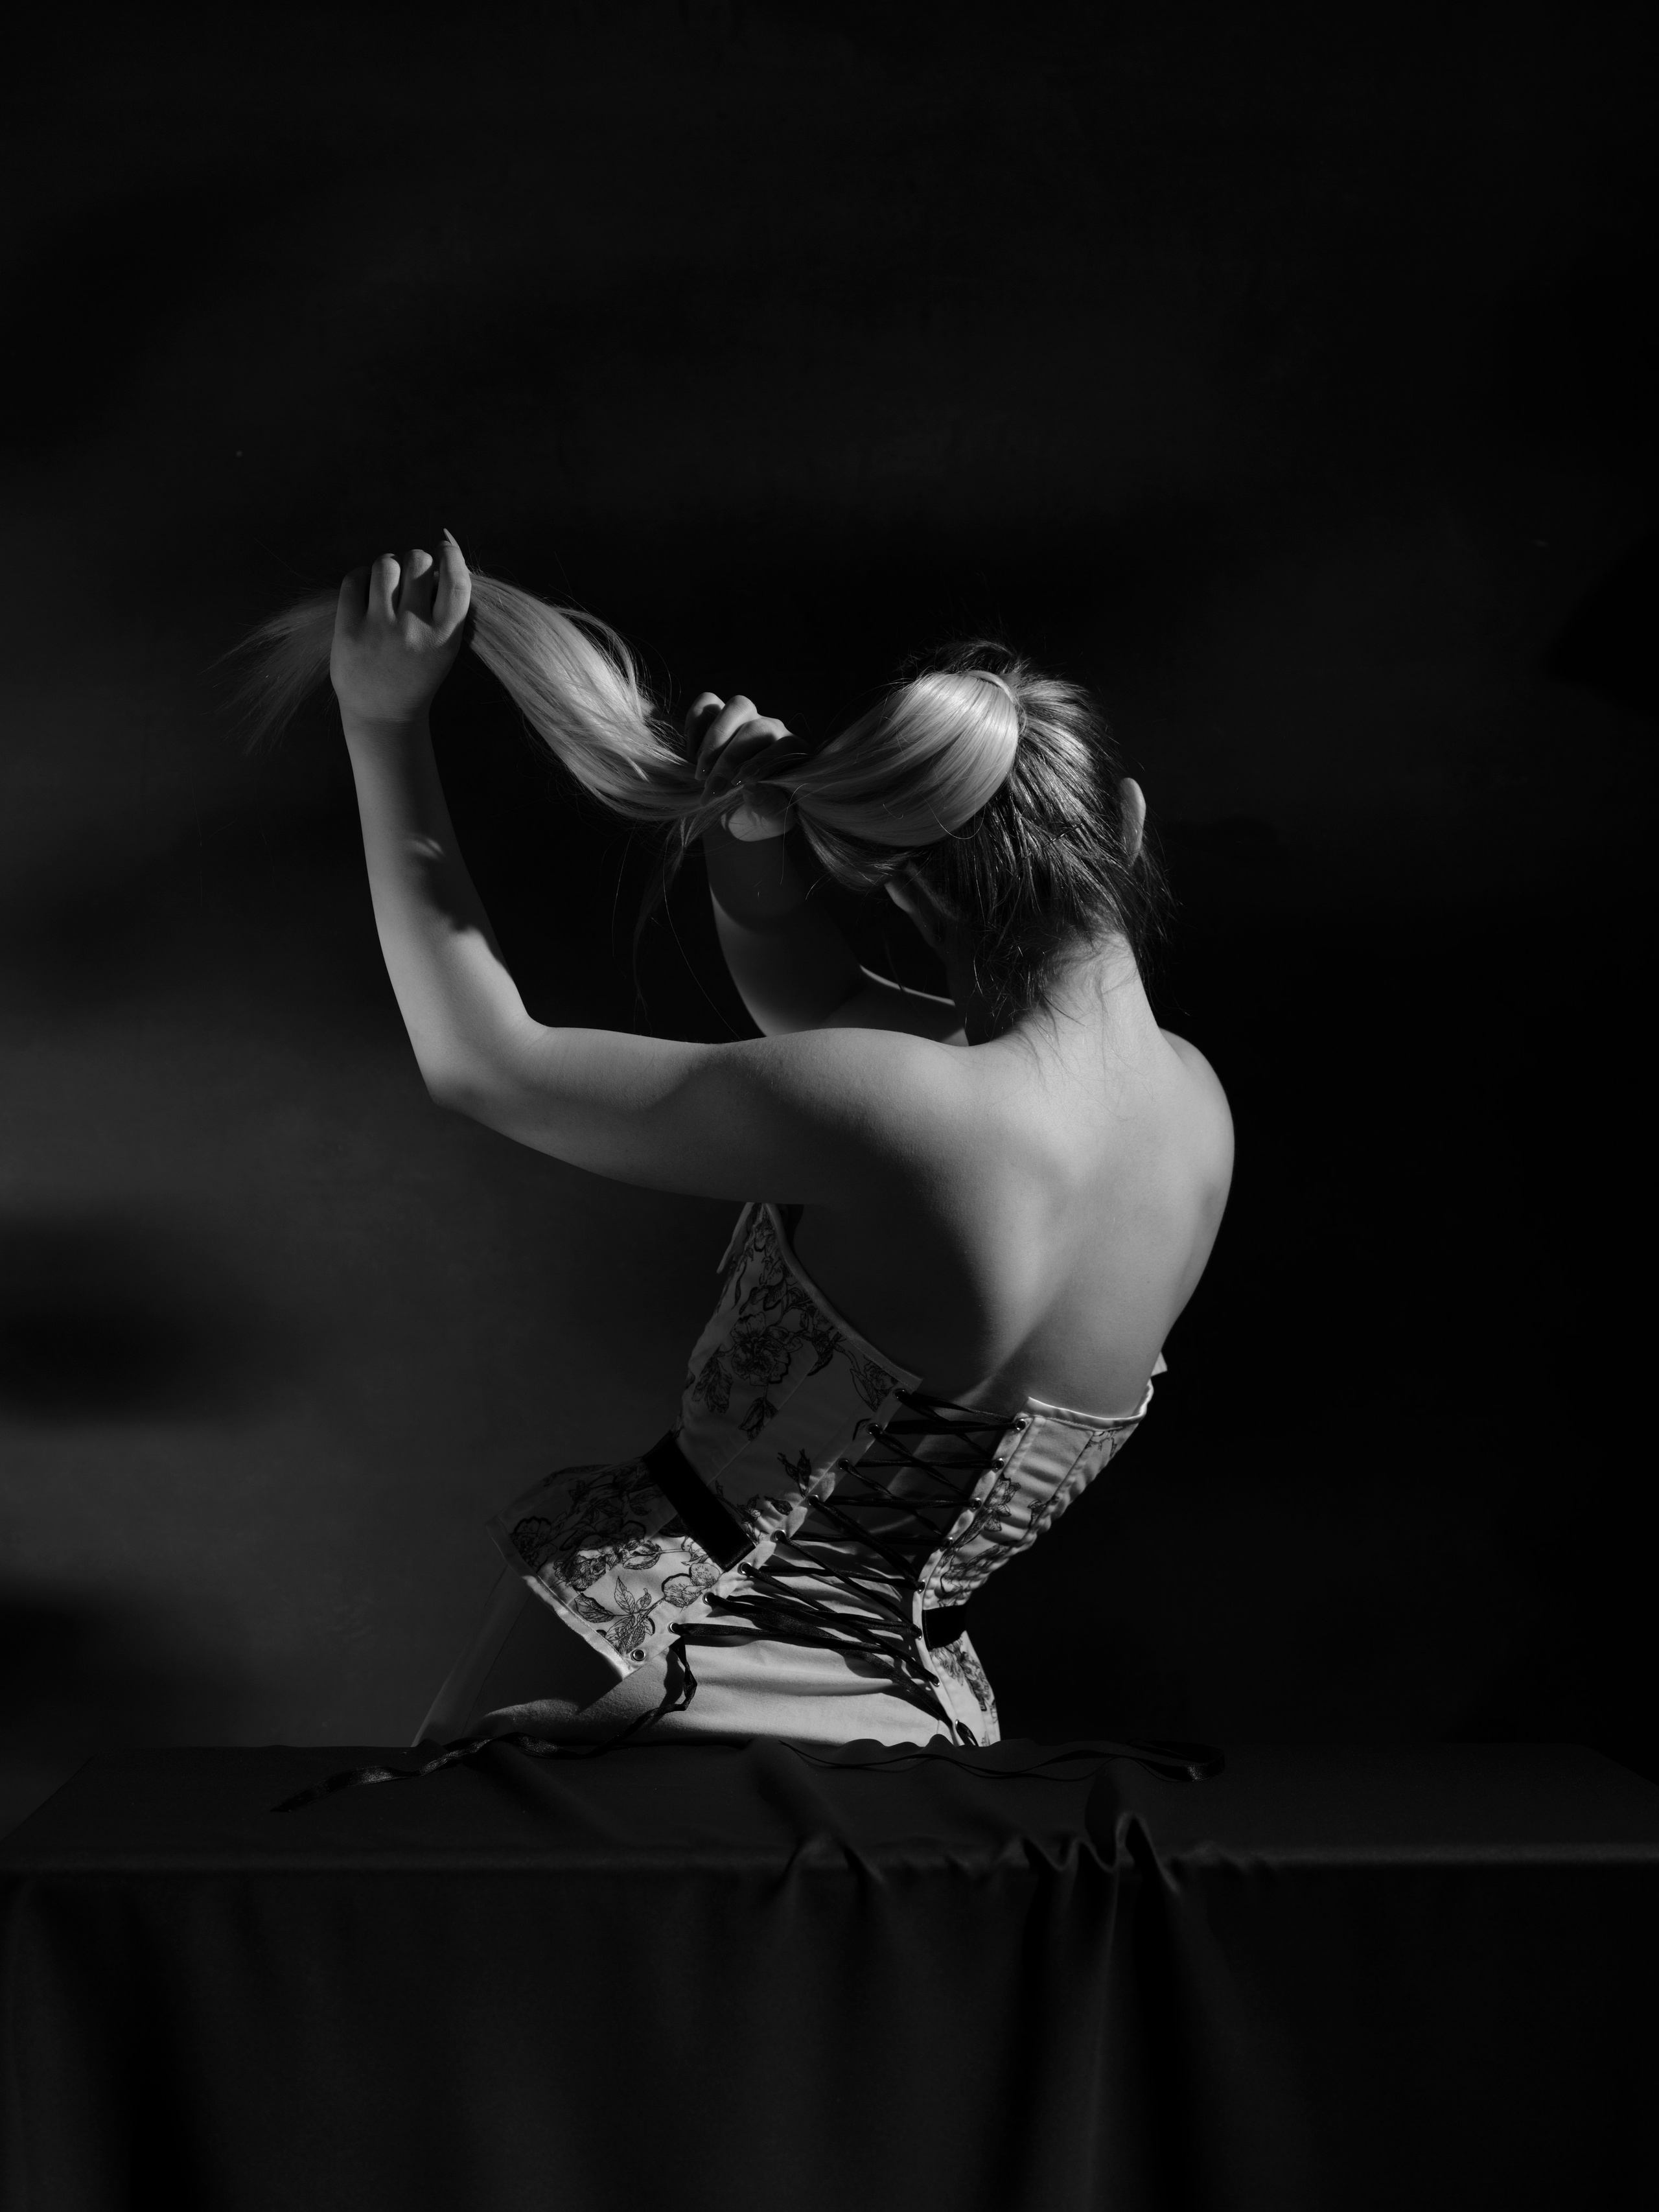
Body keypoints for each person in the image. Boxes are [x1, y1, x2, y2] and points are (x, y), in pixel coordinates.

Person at [308, 533, 1232, 1751]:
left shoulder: (908, 1107)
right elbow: (827, 1020)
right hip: (913, 1732)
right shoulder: (1191, 1112)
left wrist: (383, 726)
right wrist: (749, 837)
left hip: (626, 1680)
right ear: (1127, 821)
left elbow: (485, 1063)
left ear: (905, 885)